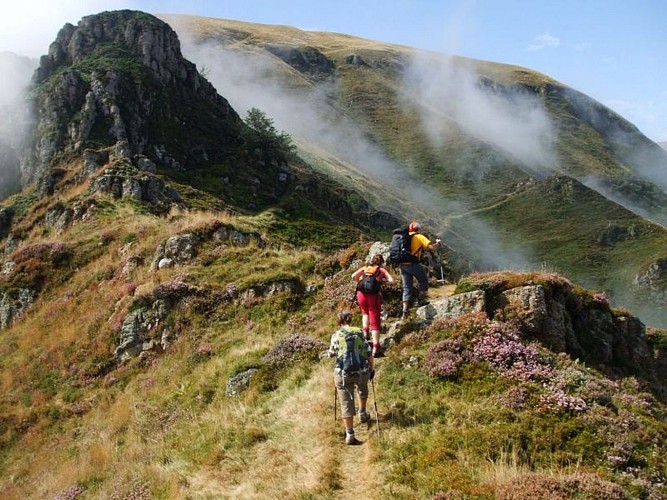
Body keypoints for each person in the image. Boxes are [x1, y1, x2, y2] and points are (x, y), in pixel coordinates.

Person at [329, 310, 375, 445]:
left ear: (339, 321)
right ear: (350, 320)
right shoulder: (359, 332)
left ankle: (350, 433)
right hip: (361, 371)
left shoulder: (336, 335)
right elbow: (368, 352)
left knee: (346, 402)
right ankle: (362, 412)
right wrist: (371, 368)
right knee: (362, 388)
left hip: (342, 373)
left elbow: (332, 353)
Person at [351, 253, 394, 357]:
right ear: (381, 262)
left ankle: (365, 333)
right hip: (373, 296)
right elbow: (391, 281)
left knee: (364, 313)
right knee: (375, 322)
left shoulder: (365, 268)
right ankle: (376, 347)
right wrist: (382, 282)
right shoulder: (381, 270)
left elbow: (353, 276)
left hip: (361, 294)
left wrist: (360, 281)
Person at [398, 221, 441, 319]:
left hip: (402, 265)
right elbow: (432, 248)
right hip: (412, 264)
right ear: (418, 229)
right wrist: (438, 243)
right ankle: (420, 300)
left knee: (406, 287)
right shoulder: (419, 237)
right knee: (423, 280)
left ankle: (405, 311)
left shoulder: (403, 237)